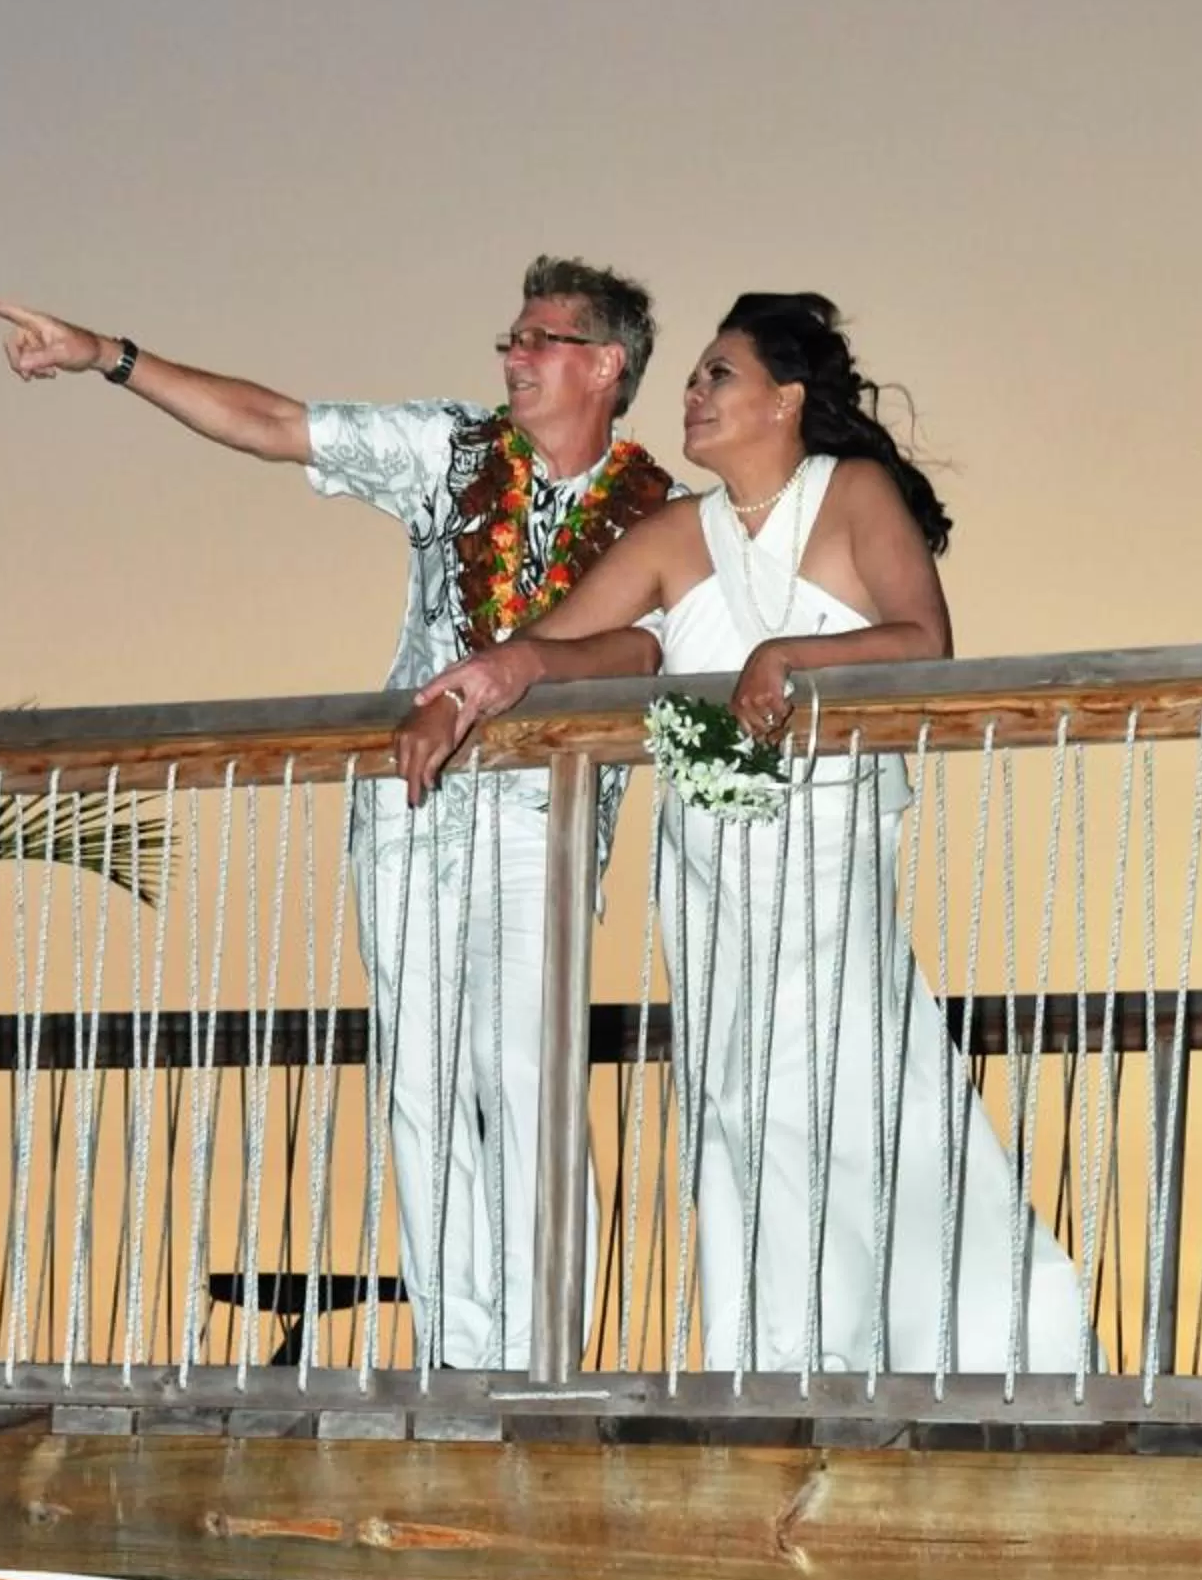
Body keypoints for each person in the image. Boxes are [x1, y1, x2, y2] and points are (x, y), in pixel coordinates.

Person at [0, 262, 674, 1370]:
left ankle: (544, 1368)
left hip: (543, 815)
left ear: (605, 365)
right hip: (409, 804)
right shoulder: (452, 450)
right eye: (510, 336)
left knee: (529, 1078)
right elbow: (272, 424)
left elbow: (653, 652)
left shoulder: (664, 517)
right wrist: (106, 355)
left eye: (539, 339)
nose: (511, 356)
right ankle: (462, 1362)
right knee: (422, 1080)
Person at [394, 291, 1090, 1380]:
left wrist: (789, 659)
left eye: (719, 374)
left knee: (853, 1088)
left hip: (822, 846)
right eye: (694, 376)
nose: (693, 392)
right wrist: (471, 687)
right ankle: (770, 1366)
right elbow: (554, 640)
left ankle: (948, 1350)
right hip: (711, 866)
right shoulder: (679, 535)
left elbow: (927, 641)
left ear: (787, 401)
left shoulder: (850, 496)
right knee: (736, 1104)